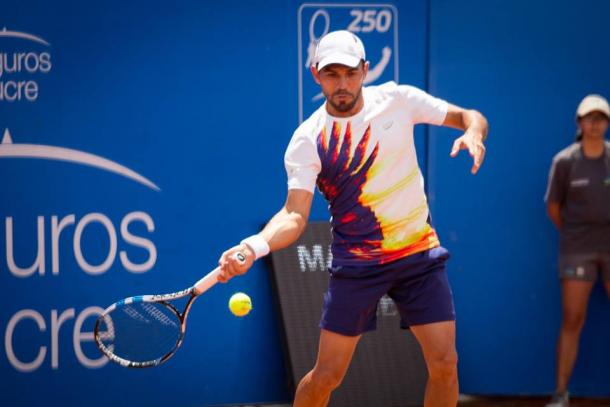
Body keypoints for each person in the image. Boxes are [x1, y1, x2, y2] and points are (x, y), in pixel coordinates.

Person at [217, 30, 488, 407]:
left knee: (445, 363)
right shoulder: (308, 139)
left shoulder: (398, 100)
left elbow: (470, 116)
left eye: (349, 73)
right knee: (327, 376)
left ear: (364, 70)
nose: (342, 83)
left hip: (417, 256)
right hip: (358, 265)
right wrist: (254, 246)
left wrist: (474, 134)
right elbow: (295, 214)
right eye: (332, 74)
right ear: (316, 74)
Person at [544, 94, 610, 407]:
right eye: (590, 117)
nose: (595, 123)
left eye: (601, 118)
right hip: (577, 250)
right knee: (573, 319)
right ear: (579, 123)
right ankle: (561, 394)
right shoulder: (565, 162)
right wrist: (576, 233)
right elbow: (553, 207)